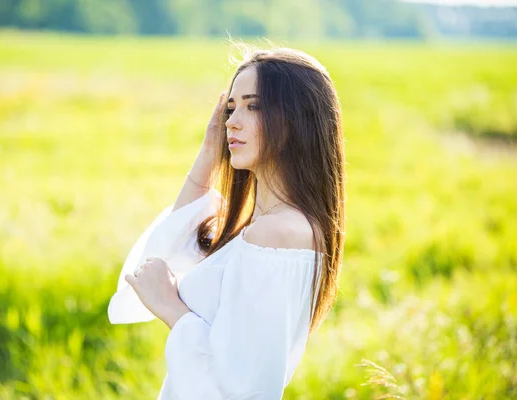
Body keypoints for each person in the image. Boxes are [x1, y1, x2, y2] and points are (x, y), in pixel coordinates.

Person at [107, 44, 346, 400]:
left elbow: (244, 389)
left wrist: (173, 309)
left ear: (297, 118)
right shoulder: (257, 227)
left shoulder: (278, 233)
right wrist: (207, 156)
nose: (231, 121)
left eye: (254, 106)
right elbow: (153, 266)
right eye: (231, 108)